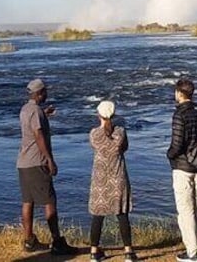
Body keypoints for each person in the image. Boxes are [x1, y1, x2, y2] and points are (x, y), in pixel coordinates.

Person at [16, 78, 77, 255]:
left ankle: (29, 240)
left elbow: (34, 124)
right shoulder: (35, 112)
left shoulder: (27, 109)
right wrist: (49, 159)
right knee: (49, 201)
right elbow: (38, 134)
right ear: (39, 93)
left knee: (28, 201)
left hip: (23, 163)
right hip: (37, 163)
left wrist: (45, 114)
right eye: (45, 92)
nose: (47, 94)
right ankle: (57, 242)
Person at [167, 78, 197, 262]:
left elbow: (177, 144)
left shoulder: (180, 115)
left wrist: (169, 155)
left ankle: (192, 252)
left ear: (179, 93)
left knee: (186, 210)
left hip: (182, 167)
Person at [88, 100, 138, 262]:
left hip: (100, 179)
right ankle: (128, 252)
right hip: (118, 177)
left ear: (99, 115)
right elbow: (125, 148)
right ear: (114, 115)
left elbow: (96, 147)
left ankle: (94, 252)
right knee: (122, 214)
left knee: (98, 215)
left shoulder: (94, 134)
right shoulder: (121, 132)